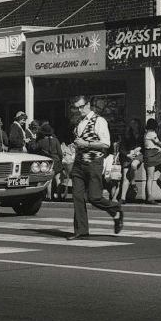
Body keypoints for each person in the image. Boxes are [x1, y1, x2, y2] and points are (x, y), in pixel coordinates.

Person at [68, 95, 123, 239]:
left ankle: (115, 209)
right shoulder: (79, 123)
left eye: (81, 107)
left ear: (88, 105)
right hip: (79, 164)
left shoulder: (99, 121)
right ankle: (81, 230)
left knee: (94, 197)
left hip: (94, 163)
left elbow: (106, 144)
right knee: (77, 197)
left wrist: (85, 144)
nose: (79, 110)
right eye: (77, 108)